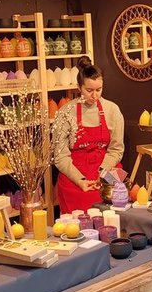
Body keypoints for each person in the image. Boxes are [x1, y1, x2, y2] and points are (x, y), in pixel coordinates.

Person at [52, 56, 125, 212]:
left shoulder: (112, 110)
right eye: (89, 90)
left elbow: (116, 150)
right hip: (75, 173)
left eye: (99, 90)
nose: (94, 95)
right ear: (79, 87)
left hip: (106, 167)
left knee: (116, 197)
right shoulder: (65, 113)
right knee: (78, 219)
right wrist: (81, 180)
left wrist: (102, 172)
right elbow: (60, 156)